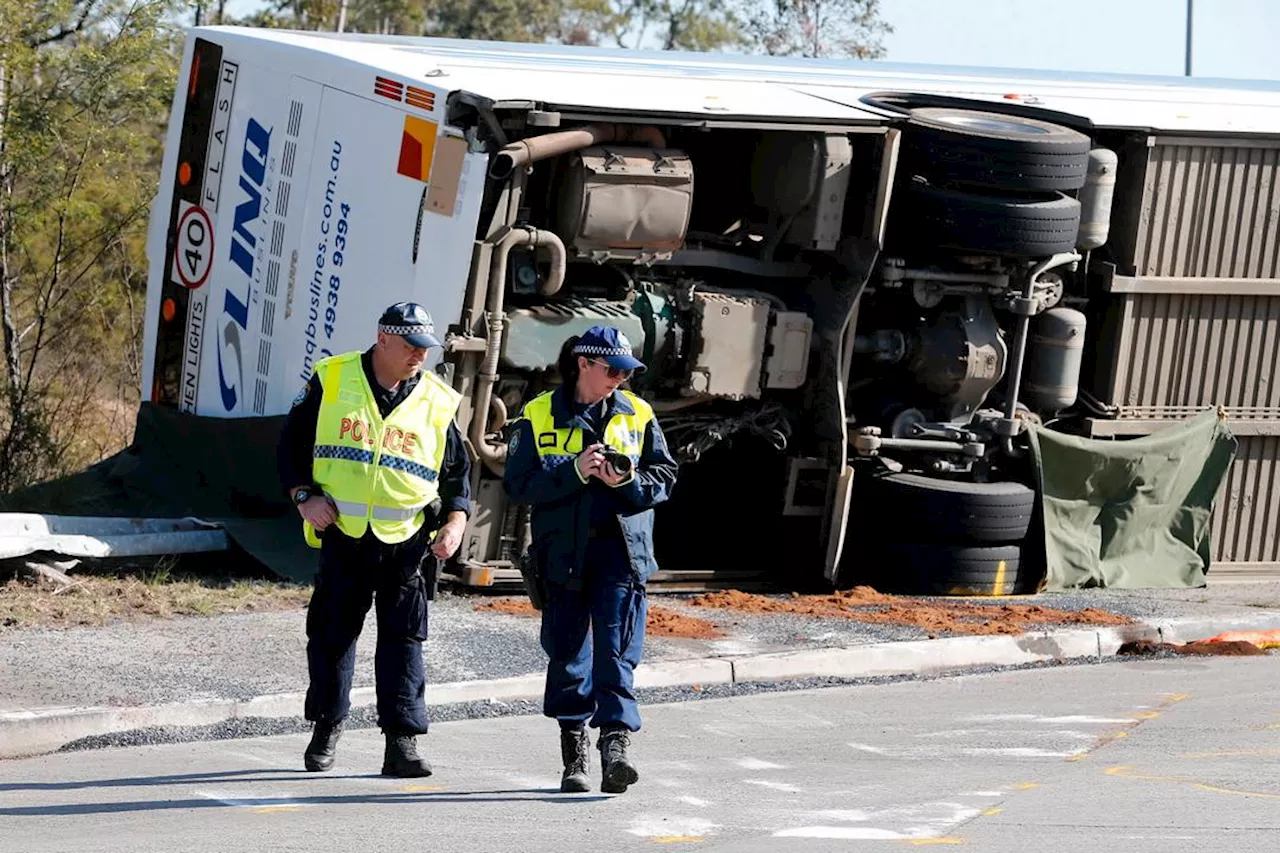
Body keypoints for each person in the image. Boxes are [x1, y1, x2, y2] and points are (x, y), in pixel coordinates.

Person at [276, 301, 471, 778]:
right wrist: (304, 496)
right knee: (331, 638)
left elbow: (457, 476)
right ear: (383, 339)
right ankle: (325, 731)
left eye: (425, 348)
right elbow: (290, 446)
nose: (419, 357)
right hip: (343, 534)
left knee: (404, 643)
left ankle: (401, 743)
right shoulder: (333, 379)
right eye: (410, 346)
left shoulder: (437, 399)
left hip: (408, 543)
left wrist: (455, 522)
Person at [502, 325, 679, 794]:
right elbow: (518, 486)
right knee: (567, 653)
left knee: (617, 651)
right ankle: (574, 750)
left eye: (626, 371)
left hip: (621, 551)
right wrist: (575, 471)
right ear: (584, 364)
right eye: (612, 369)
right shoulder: (538, 414)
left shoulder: (638, 413)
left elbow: (665, 475)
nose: (620, 378)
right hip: (563, 553)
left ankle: (616, 748)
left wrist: (626, 482)